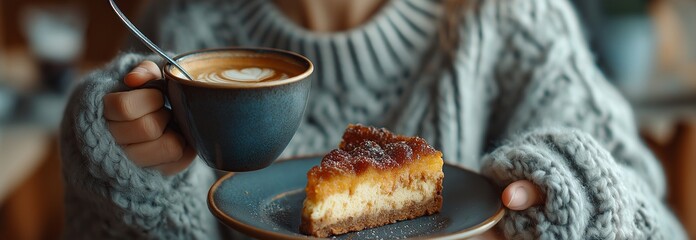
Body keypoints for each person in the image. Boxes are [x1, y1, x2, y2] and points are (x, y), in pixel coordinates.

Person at [60, 0, 687, 239]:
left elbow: (657, 228)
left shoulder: (511, 19)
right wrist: (122, 169)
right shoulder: (187, 32)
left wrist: (580, 200)